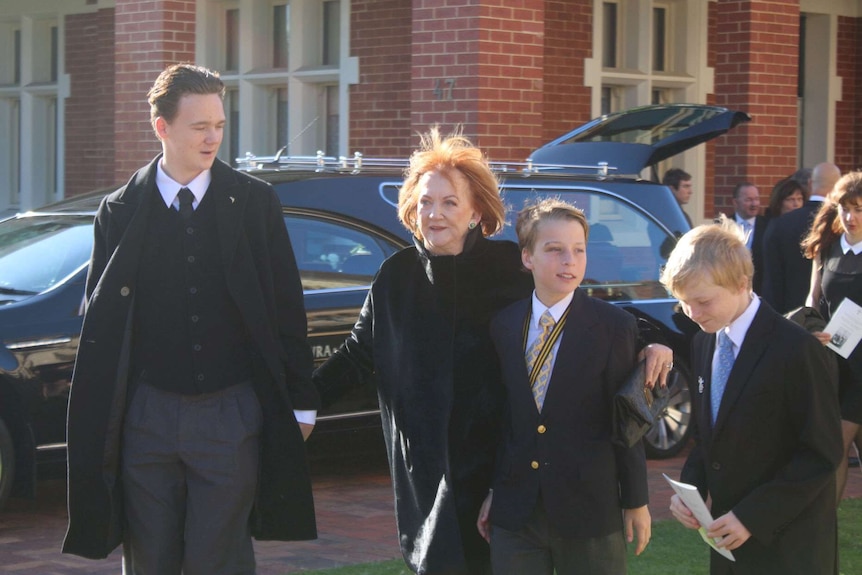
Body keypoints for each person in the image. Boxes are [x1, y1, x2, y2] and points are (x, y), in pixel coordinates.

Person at [312, 127, 672, 575]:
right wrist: (301, 404)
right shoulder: (395, 278)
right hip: (427, 469)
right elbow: (355, 355)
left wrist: (653, 341)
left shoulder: (508, 266)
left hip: (502, 468)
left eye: (449, 202)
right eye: (425, 201)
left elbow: (576, 311)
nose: (435, 214)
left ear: (475, 210)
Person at [63, 64, 320, 574]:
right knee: (149, 559)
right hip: (146, 415)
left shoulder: (254, 203)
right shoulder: (120, 208)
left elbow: (286, 308)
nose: (212, 137)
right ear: (162, 127)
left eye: (219, 125)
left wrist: (302, 402)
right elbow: (100, 321)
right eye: (199, 126)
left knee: (218, 558)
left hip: (231, 411)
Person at [476, 198, 651, 575]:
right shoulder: (504, 325)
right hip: (518, 509)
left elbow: (628, 419)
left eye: (578, 250)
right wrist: (495, 490)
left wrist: (635, 500)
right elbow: (506, 417)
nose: (568, 260)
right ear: (528, 258)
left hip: (589, 508)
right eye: (554, 250)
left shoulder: (612, 326)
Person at [663, 216, 842, 574]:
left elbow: (822, 453)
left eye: (703, 302)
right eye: (684, 303)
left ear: (742, 283)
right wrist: (690, 490)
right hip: (729, 547)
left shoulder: (796, 349)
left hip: (791, 547)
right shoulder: (703, 343)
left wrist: (751, 517)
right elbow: (708, 435)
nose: (693, 315)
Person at [803, 170, 862, 504]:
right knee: (833, 448)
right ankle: (826, 528)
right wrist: (812, 330)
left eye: (859, 208)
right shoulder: (826, 248)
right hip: (833, 364)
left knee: (837, 445)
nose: (850, 217)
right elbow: (812, 300)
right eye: (845, 208)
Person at [763, 163, 841, 313]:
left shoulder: (779, 225)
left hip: (788, 316)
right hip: (832, 319)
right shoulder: (845, 226)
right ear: (839, 187)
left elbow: (772, 283)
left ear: (810, 184)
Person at [729, 182, 766, 294]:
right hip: (731, 286)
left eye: (756, 199)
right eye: (748, 200)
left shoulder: (768, 225)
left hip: (760, 289)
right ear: (735, 202)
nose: (754, 204)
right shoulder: (723, 225)